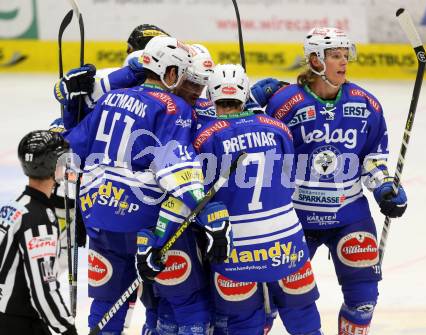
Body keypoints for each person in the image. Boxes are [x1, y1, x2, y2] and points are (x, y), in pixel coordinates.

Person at [64, 35, 232, 335]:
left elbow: (71, 149)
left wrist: (71, 107)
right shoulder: (172, 106)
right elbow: (175, 165)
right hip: (145, 224)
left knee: (106, 304)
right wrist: (209, 212)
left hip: (99, 220)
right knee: (187, 301)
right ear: (170, 73)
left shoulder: (109, 99)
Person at [254, 27, 408, 335]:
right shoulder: (284, 103)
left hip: (349, 214)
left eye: (345, 56)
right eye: (335, 56)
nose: (343, 62)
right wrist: (250, 106)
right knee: (269, 300)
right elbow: (260, 150)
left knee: (364, 301)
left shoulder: (366, 104)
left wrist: (384, 187)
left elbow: (372, 160)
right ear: (314, 60)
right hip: (294, 218)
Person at [193, 64, 322, 335]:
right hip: (285, 240)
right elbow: (290, 178)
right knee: (303, 318)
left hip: (235, 246)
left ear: (211, 93)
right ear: (245, 92)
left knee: (243, 324)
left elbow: (197, 193)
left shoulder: (204, 137)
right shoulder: (277, 128)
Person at [0, 130, 76, 334]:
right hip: (19, 324)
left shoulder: (13, 206)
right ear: (54, 166)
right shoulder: (39, 220)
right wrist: (68, 328)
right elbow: (43, 291)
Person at [54, 24, 170, 130]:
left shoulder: (106, 77)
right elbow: (62, 100)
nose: (127, 51)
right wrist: (69, 90)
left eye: (129, 47)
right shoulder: (106, 76)